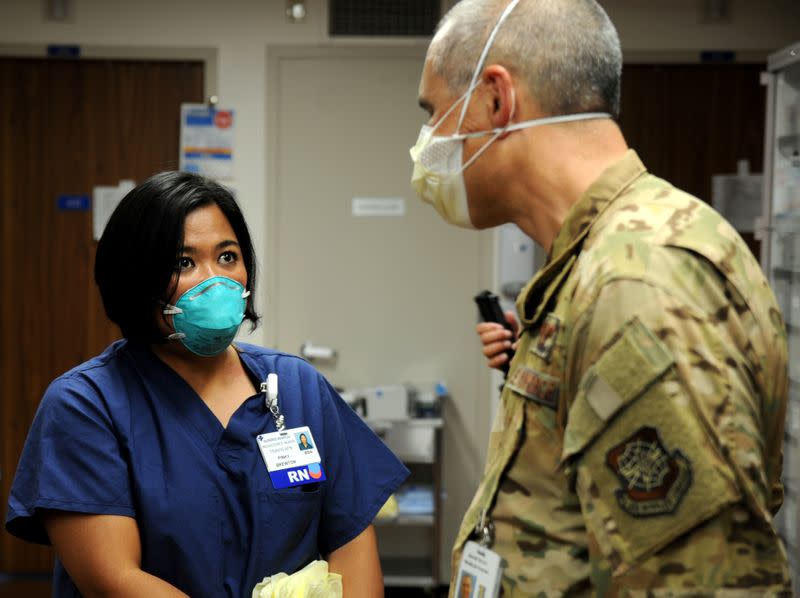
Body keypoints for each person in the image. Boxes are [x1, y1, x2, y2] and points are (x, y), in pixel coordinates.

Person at [410, 0, 792, 595]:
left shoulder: (637, 282)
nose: (427, 143)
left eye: (434, 115)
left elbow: (701, 582)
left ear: (495, 99)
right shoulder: (594, 262)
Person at [5, 171, 409, 598]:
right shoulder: (86, 405)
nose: (214, 281)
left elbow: (351, 542)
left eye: (228, 257)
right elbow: (115, 581)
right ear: (134, 277)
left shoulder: (296, 386)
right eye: (184, 262)